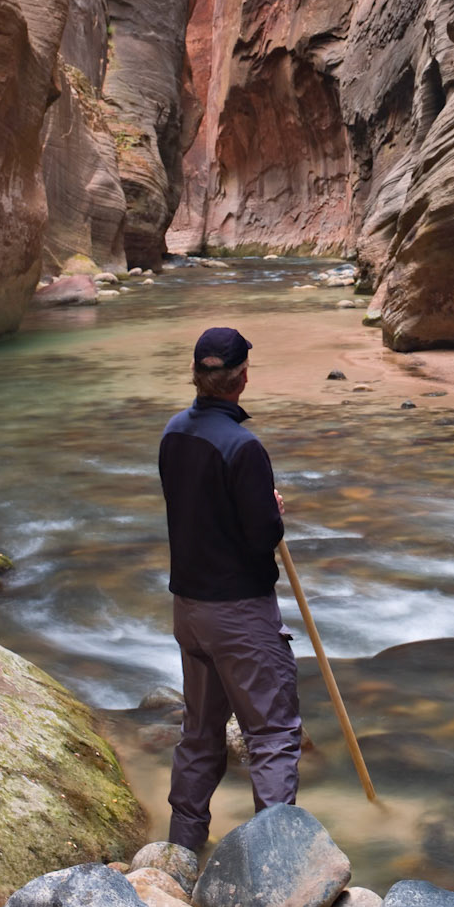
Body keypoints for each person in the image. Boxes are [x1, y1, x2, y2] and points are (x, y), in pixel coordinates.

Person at [159, 324, 302, 853]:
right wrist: (272, 510)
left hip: (189, 610)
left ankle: (180, 855)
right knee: (273, 735)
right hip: (239, 615)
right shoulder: (244, 447)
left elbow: (196, 506)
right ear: (242, 378)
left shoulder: (174, 433)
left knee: (200, 735)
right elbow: (262, 535)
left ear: (197, 376)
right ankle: (276, 864)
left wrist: (257, 502)